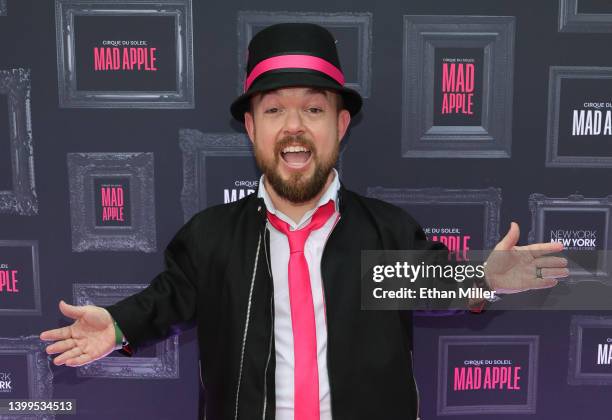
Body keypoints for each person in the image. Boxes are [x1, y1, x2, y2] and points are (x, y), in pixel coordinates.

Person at [39, 23, 568, 420]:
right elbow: (166, 300)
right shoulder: (211, 238)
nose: (294, 128)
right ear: (250, 127)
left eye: (313, 110)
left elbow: (436, 284)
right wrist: (116, 324)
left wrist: (487, 277)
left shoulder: (383, 234)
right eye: (274, 110)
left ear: (341, 125)